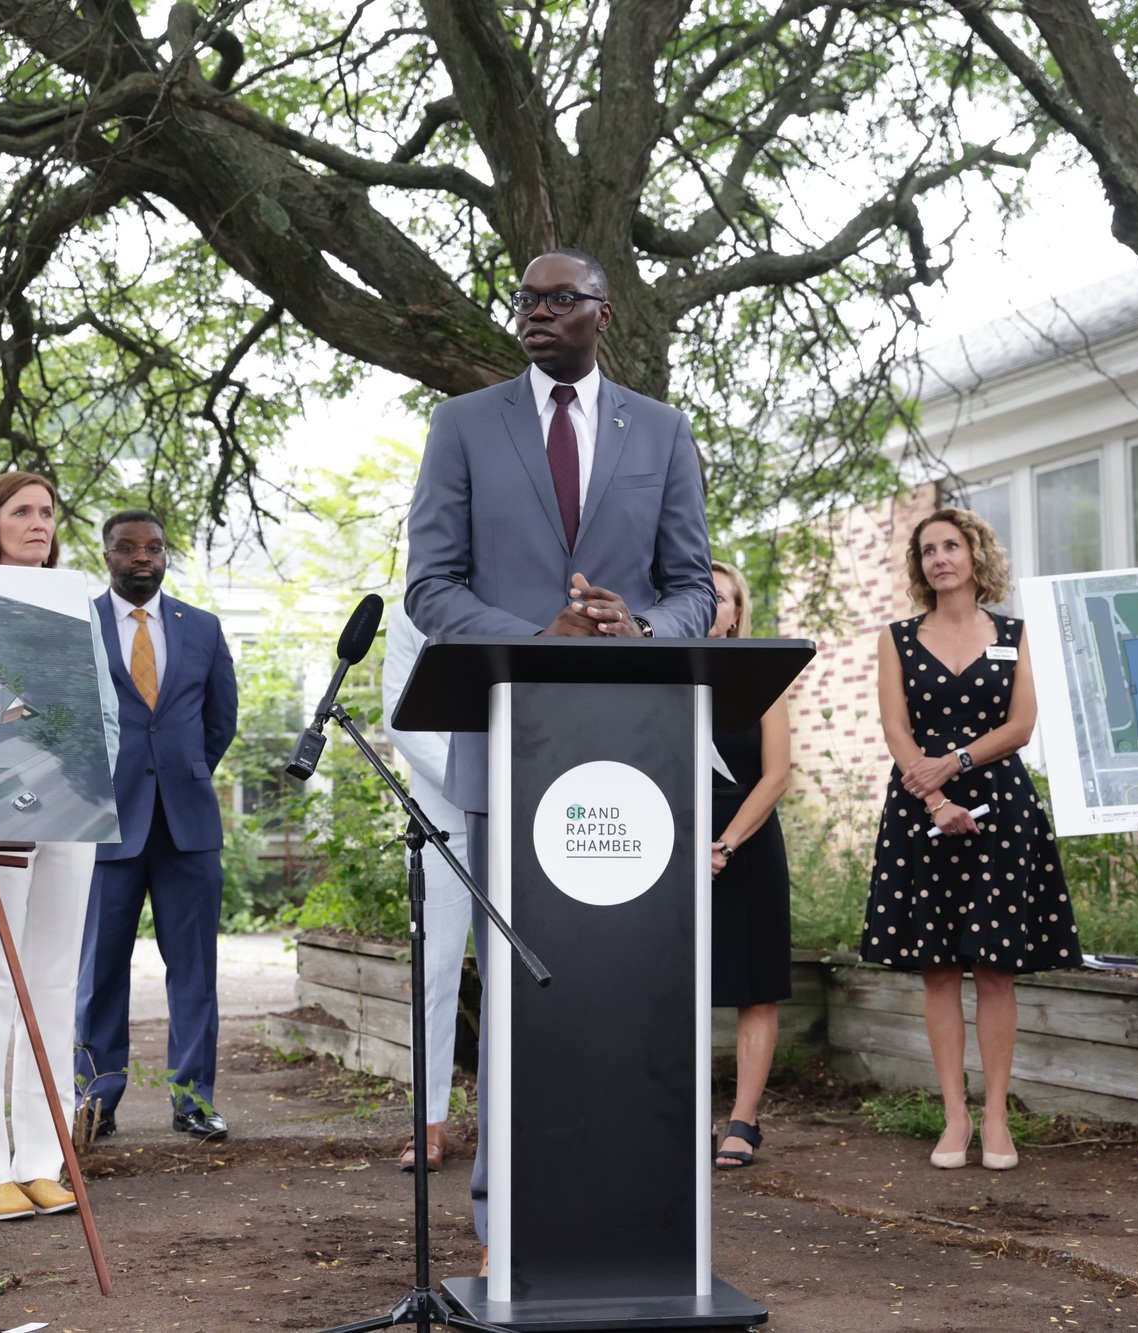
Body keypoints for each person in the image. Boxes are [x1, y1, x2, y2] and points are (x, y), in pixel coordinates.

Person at [405, 247, 716, 1270]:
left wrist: (640, 627)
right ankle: (504, 1223)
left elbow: (693, 592)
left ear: (600, 313)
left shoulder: (661, 432)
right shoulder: (462, 425)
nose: (536, 314)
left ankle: (628, 1212)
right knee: (513, 993)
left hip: (631, 762)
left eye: (557, 300)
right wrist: (536, 637)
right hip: (507, 748)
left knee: (623, 988)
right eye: (525, 301)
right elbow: (432, 586)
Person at [862, 507, 1079, 1172]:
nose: (940, 558)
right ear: (920, 566)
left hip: (1000, 811)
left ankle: (995, 1119)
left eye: (951, 545)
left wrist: (953, 765)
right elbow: (897, 730)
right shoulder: (896, 638)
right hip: (920, 809)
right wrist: (933, 796)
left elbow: (1020, 726)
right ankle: (954, 1116)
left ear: (975, 555)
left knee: (994, 968)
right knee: (937, 968)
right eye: (928, 550)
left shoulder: (1012, 635)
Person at [0, 471, 97, 1221]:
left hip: (73, 802)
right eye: (22, 511)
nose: (38, 522)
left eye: (47, 511)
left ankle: (42, 1158)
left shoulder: (79, 597)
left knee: (54, 985)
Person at [76, 510, 239, 1142]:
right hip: (106, 822)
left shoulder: (201, 628)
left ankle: (192, 1099)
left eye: (154, 547)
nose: (143, 557)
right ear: (108, 555)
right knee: (101, 971)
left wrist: (183, 772)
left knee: (195, 970)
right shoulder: (79, 625)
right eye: (128, 548)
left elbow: (219, 721)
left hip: (188, 826)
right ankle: (97, 1100)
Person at [704, 560, 794, 1169]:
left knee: (755, 990)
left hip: (748, 844)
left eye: (723, 598)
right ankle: (674, 1111)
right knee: (675, 986)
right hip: (674, 845)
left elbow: (777, 773)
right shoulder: (660, 680)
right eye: (700, 596)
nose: (711, 607)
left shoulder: (765, 678)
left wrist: (726, 844)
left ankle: (743, 1121)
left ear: (738, 614)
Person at [378, 604, 471, 1172]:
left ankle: (530, 1114)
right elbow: (401, 716)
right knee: (435, 971)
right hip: (446, 812)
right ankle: (429, 1123)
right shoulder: (413, 612)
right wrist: (471, 782)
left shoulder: (534, 590)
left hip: (530, 807)